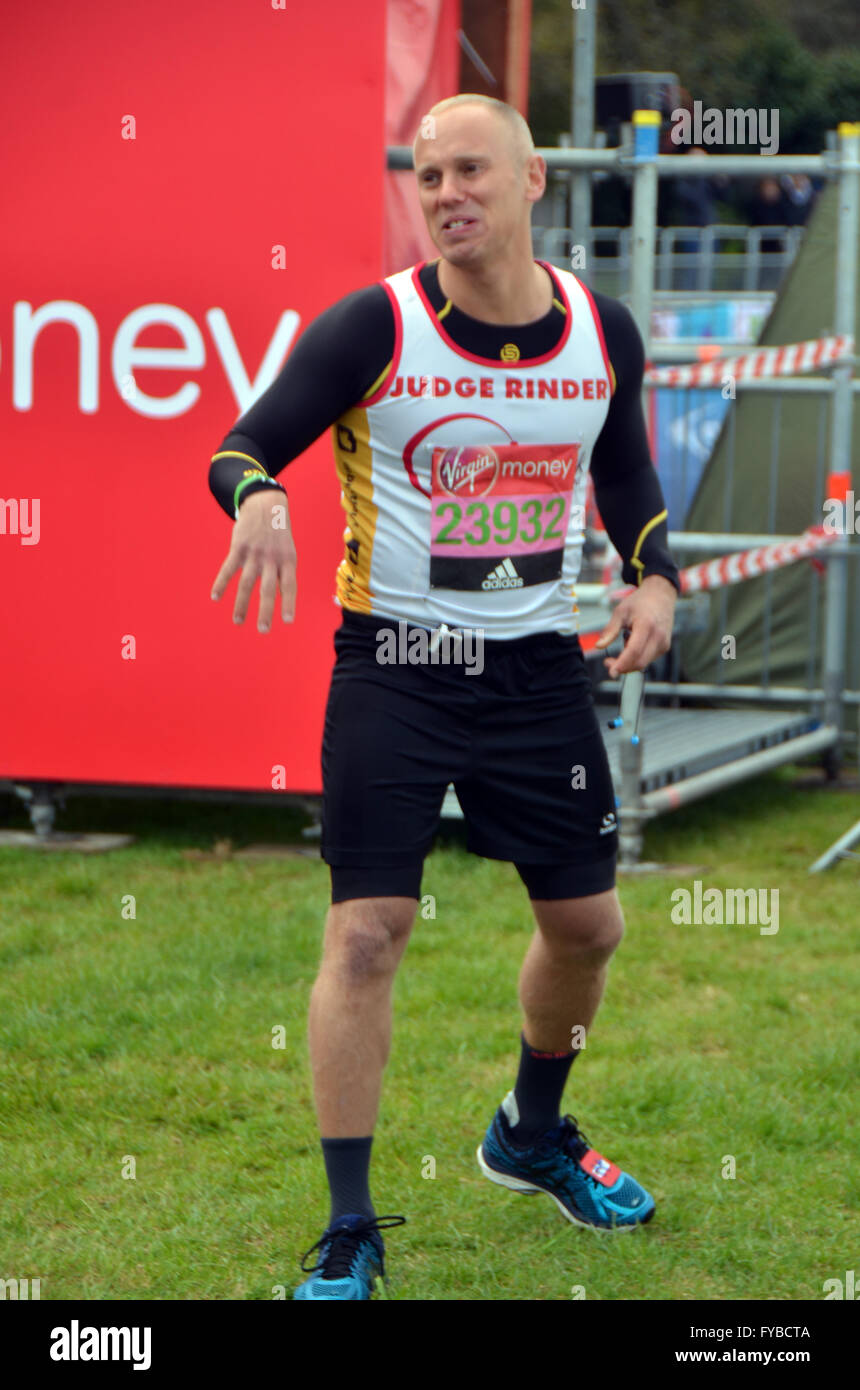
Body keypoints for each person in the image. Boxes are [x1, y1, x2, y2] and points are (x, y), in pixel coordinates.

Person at [208, 94, 679, 1301]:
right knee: (368, 929)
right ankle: (351, 1225)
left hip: (533, 673)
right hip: (396, 669)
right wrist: (259, 494)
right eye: (425, 176)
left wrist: (652, 572)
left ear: (531, 178)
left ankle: (528, 1133)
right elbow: (241, 446)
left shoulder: (600, 329)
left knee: (588, 930)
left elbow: (619, 467)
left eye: (469, 169)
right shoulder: (373, 325)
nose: (445, 193)